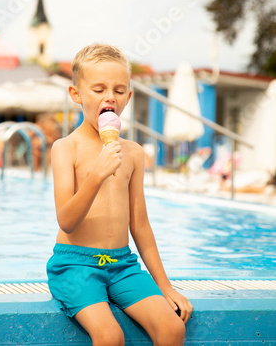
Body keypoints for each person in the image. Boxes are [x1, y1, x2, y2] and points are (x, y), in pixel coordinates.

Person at [47, 43, 193, 346]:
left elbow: (140, 226)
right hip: (76, 265)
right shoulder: (65, 148)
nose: (109, 97)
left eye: (118, 89)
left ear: (128, 96)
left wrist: (165, 286)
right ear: (77, 95)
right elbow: (67, 221)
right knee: (110, 335)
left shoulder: (134, 153)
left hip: (122, 264)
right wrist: (97, 175)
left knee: (172, 329)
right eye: (98, 89)